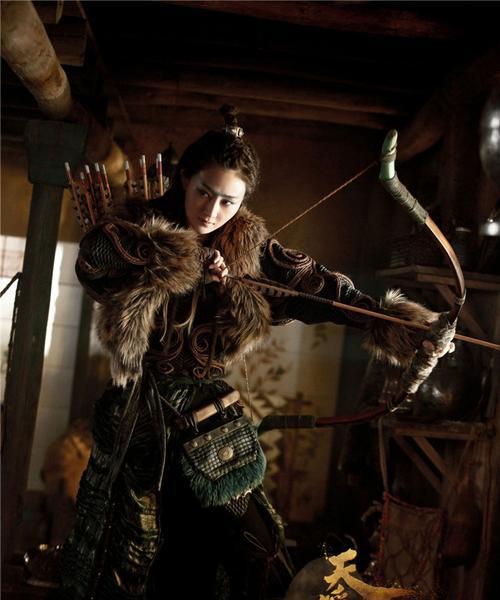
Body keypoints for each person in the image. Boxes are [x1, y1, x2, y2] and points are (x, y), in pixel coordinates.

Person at [57, 106, 454, 600]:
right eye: (204, 192)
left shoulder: (249, 247)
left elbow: (323, 292)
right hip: (141, 411)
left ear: (243, 201)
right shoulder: (140, 222)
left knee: (252, 544)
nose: (212, 211)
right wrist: (182, 255)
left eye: (228, 201)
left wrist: (404, 327)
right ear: (184, 179)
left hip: (206, 414)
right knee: (137, 554)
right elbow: (93, 258)